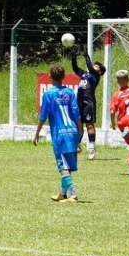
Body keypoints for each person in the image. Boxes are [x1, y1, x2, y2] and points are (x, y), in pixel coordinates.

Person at [33, 64, 82, 203]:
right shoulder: (70, 92)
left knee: (62, 166)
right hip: (72, 131)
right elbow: (76, 113)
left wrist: (37, 133)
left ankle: (72, 194)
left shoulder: (48, 94)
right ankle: (63, 193)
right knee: (68, 165)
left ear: (50, 76)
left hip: (60, 134)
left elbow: (43, 116)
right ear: (64, 76)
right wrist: (80, 130)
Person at [70, 47, 106, 160]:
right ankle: (77, 145)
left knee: (89, 125)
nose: (94, 66)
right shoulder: (84, 74)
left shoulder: (95, 76)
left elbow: (90, 67)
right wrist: (73, 57)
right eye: (94, 65)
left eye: (96, 66)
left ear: (100, 72)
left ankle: (91, 149)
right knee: (78, 125)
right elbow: (75, 68)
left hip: (88, 103)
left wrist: (86, 56)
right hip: (79, 103)